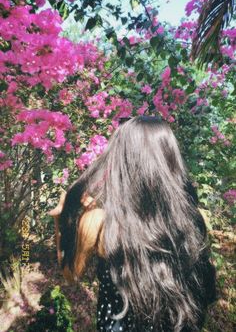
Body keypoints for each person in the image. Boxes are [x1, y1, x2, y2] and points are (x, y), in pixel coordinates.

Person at [49, 115, 216, 332]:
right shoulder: (192, 221)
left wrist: (59, 219)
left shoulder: (100, 223)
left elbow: (70, 274)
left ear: (120, 160)